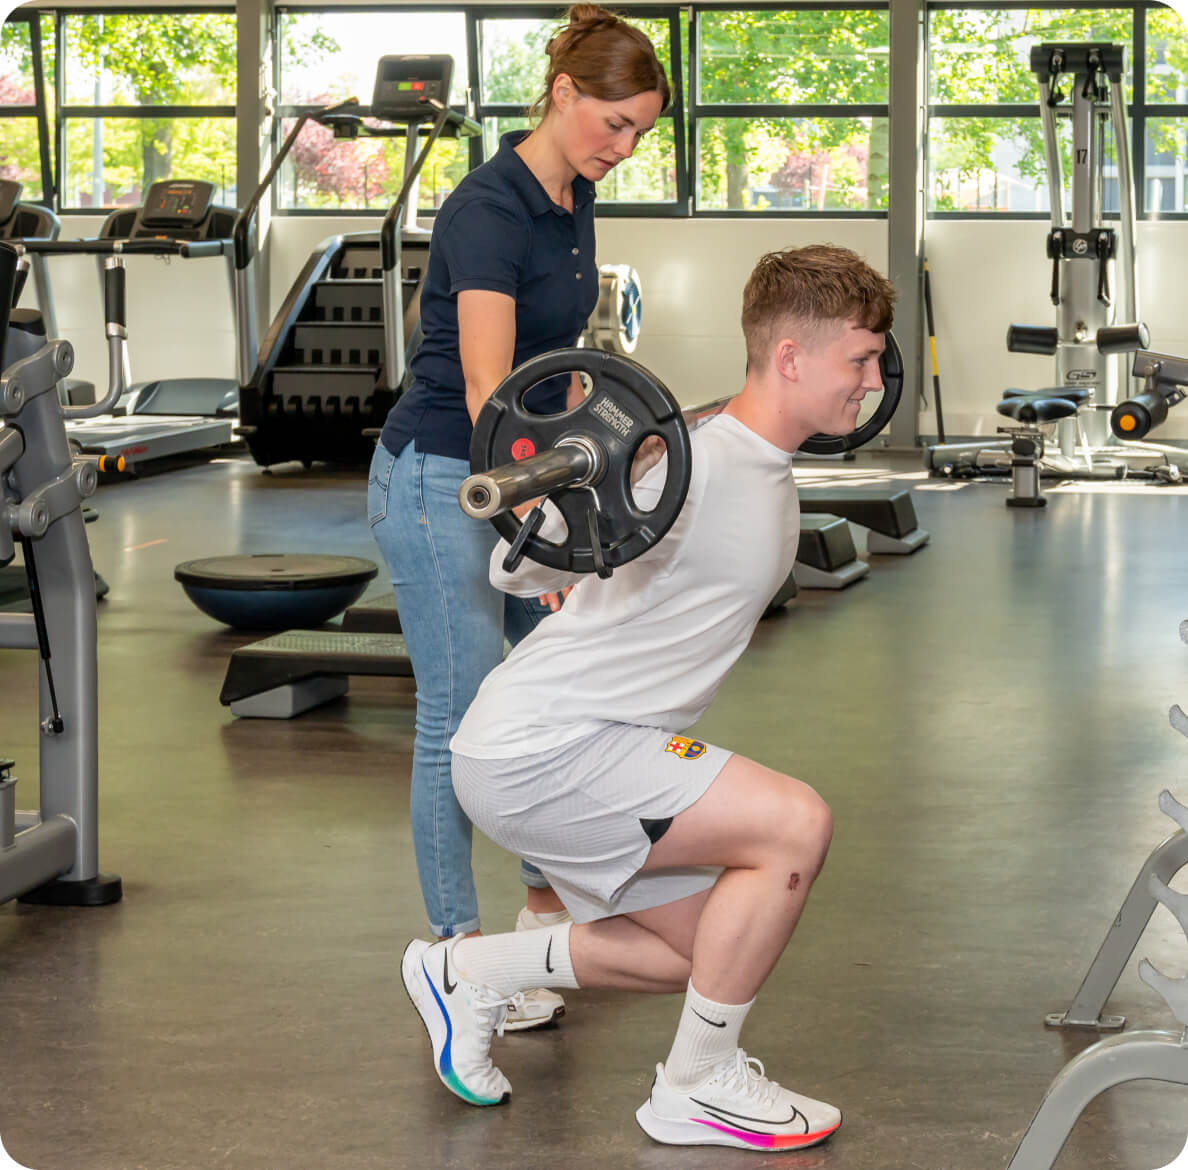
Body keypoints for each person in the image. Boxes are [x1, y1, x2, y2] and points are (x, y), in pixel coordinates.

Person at [400, 244, 896, 1148]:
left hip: (584, 747)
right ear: (791, 358)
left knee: (703, 950)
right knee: (795, 823)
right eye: (859, 359)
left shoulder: (757, 462)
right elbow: (516, 566)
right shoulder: (686, 457)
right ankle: (696, 1084)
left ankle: (469, 971)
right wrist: (584, 501)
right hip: (544, 746)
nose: (872, 381)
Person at [367, 4, 670, 1030]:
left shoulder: (570, 194)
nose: (622, 149)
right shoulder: (489, 207)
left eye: (639, 133)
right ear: (564, 93)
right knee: (456, 715)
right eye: (614, 124)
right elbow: (493, 386)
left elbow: (548, 357)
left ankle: (536, 926)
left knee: (550, 702)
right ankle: (458, 959)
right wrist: (545, 518)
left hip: (519, 473)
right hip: (448, 480)